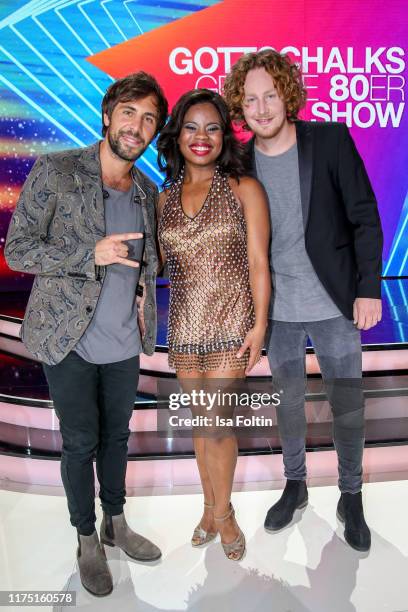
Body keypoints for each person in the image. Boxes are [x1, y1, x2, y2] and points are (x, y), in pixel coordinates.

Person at [5, 72, 168, 596]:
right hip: (66, 339)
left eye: (149, 119)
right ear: (107, 115)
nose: (137, 126)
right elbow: (18, 250)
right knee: (80, 443)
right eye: (129, 112)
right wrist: (86, 255)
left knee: (117, 437)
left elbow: (149, 265)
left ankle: (114, 523)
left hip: (124, 340)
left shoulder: (147, 191)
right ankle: (85, 538)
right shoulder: (57, 170)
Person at [224, 50, 383, 552]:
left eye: (270, 94)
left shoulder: (330, 139)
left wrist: (368, 288)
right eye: (250, 99)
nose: (262, 107)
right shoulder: (240, 161)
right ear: (241, 107)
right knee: (288, 405)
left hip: (335, 303)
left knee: (346, 406)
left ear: (287, 94)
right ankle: (295, 486)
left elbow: (365, 216)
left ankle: (351, 496)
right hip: (277, 311)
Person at [156, 89, 270, 561]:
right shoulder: (162, 200)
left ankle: (224, 517)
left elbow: (260, 264)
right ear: (177, 135)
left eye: (212, 128)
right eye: (191, 127)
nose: (201, 138)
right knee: (200, 427)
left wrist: (259, 327)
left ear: (225, 136)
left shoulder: (244, 187)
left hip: (231, 329)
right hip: (183, 333)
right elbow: (158, 268)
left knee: (219, 426)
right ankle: (209, 508)